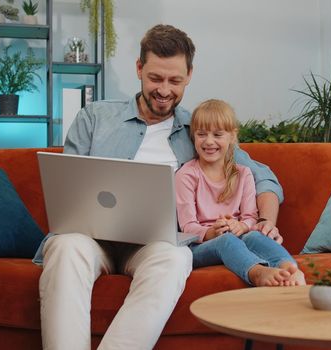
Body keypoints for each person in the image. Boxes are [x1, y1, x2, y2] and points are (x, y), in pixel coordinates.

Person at [37, 24, 284, 350]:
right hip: (90, 239)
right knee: (65, 247)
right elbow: (66, 184)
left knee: (175, 258)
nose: (164, 90)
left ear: (189, 75)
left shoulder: (199, 131)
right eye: (155, 78)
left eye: (175, 80)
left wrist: (266, 221)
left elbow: (263, 177)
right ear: (139, 69)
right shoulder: (95, 117)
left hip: (155, 245)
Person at [175, 99, 305, 287]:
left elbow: (250, 217)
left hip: (238, 236)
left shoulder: (244, 174)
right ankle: (257, 272)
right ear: (193, 136)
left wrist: (241, 227)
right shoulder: (186, 175)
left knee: (254, 236)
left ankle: (290, 269)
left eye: (218, 134)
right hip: (200, 246)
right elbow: (187, 226)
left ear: (232, 137)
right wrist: (213, 232)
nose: (209, 141)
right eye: (201, 134)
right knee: (226, 240)